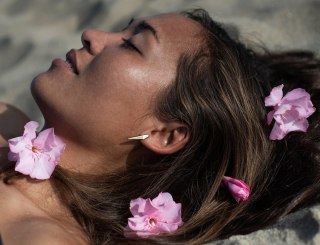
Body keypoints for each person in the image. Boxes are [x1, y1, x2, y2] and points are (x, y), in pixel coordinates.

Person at [0, 8, 319, 245]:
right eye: (123, 32)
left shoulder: (38, 237)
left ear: (164, 134)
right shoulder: (8, 119)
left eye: (132, 45)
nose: (93, 35)